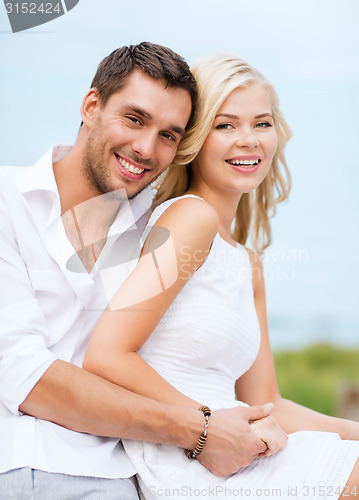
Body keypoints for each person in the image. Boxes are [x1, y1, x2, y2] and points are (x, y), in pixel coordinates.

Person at [0, 43, 274, 500]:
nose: (145, 148)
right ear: (91, 106)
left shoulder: (162, 223)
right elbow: (22, 375)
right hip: (23, 463)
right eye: (134, 118)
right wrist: (201, 430)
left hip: (129, 477)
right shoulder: (7, 201)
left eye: (169, 135)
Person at [83, 53, 359, 499]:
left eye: (262, 124)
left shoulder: (249, 263)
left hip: (237, 445)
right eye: (225, 125)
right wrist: (208, 425)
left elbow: (267, 402)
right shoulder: (191, 217)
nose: (247, 140)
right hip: (187, 455)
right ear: (195, 138)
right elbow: (107, 354)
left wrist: (352, 430)